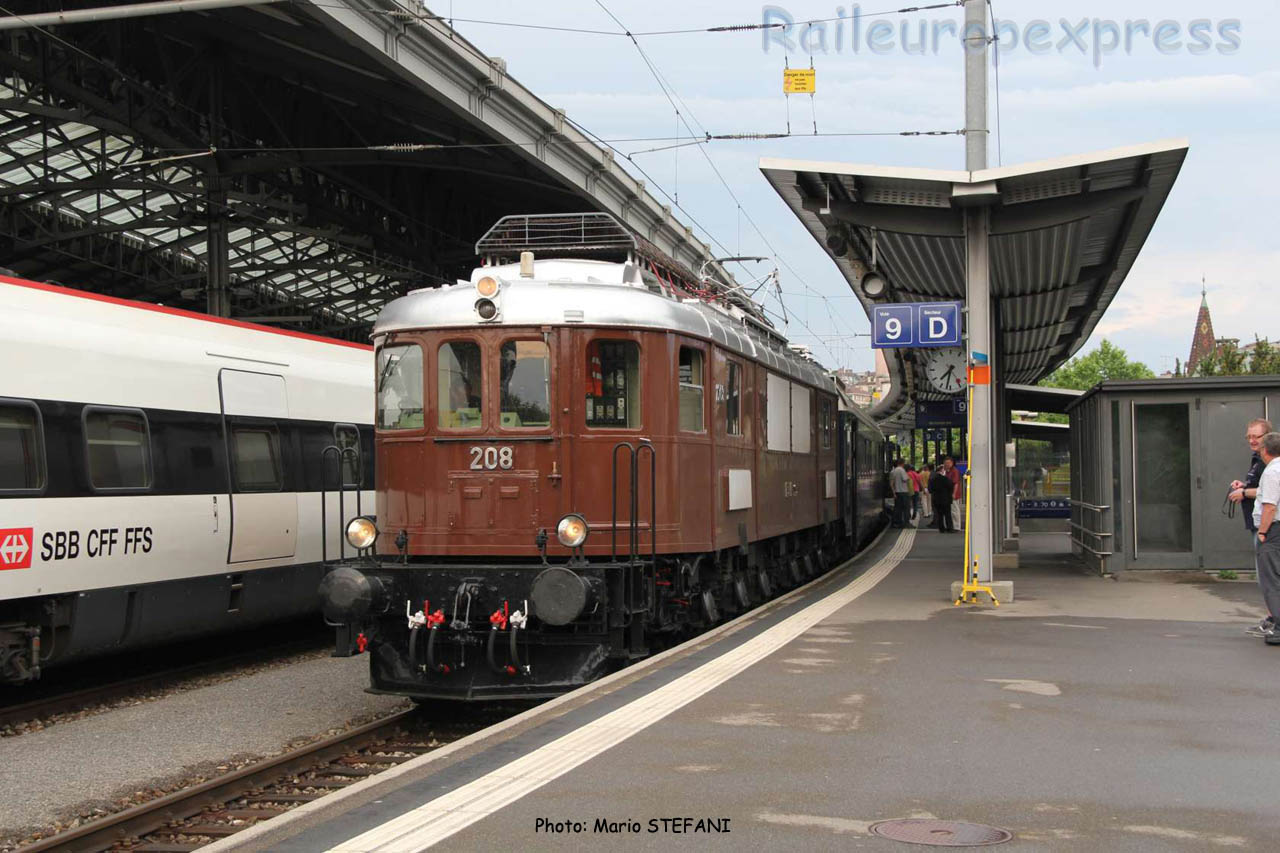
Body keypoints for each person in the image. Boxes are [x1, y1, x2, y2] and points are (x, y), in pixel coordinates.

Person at [1233, 419, 1275, 636]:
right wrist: (1244, 485)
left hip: (1267, 526)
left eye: (1256, 437)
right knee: (1265, 575)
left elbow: (1269, 493)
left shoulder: (1271, 463)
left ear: (1266, 437)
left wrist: (1243, 493)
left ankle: (1274, 621)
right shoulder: (1257, 459)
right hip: (1258, 523)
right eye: (1248, 436)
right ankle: (1271, 618)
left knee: (1268, 575)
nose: (1251, 440)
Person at [1252, 432, 1280, 645]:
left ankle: (1278, 626)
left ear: (1265, 450)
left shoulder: (1272, 472)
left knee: (1271, 579)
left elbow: (1269, 506)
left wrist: (1262, 531)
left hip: (1273, 530)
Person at [929, 462, 954, 533]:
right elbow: (951, 487)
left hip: (937, 500)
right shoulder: (946, 479)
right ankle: (949, 528)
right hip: (946, 499)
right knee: (947, 515)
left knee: (940, 515)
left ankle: (941, 528)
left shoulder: (933, 480)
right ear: (942, 471)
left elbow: (931, 489)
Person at [890, 458, 912, 528]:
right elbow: (906, 479)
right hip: (904, 492)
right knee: (906, 508)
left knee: (898, 508)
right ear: (903, 463)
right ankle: (907, 523)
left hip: (897, 492)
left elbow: (891, 483)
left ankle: (898, 523)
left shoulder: (893, 471)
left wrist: (894, 493)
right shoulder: (902, 470)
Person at [943, 456, 963, 530]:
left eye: (948, 463)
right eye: (945, 463)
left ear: (952, 463)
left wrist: (954, 493)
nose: (947, 464)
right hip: (947, 493)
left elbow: (956, 483)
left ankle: (956, 526)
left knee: (954, 510)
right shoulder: (946, 471)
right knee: (949, 510)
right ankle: (951, 525)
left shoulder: (954, 471)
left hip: (953, 493)